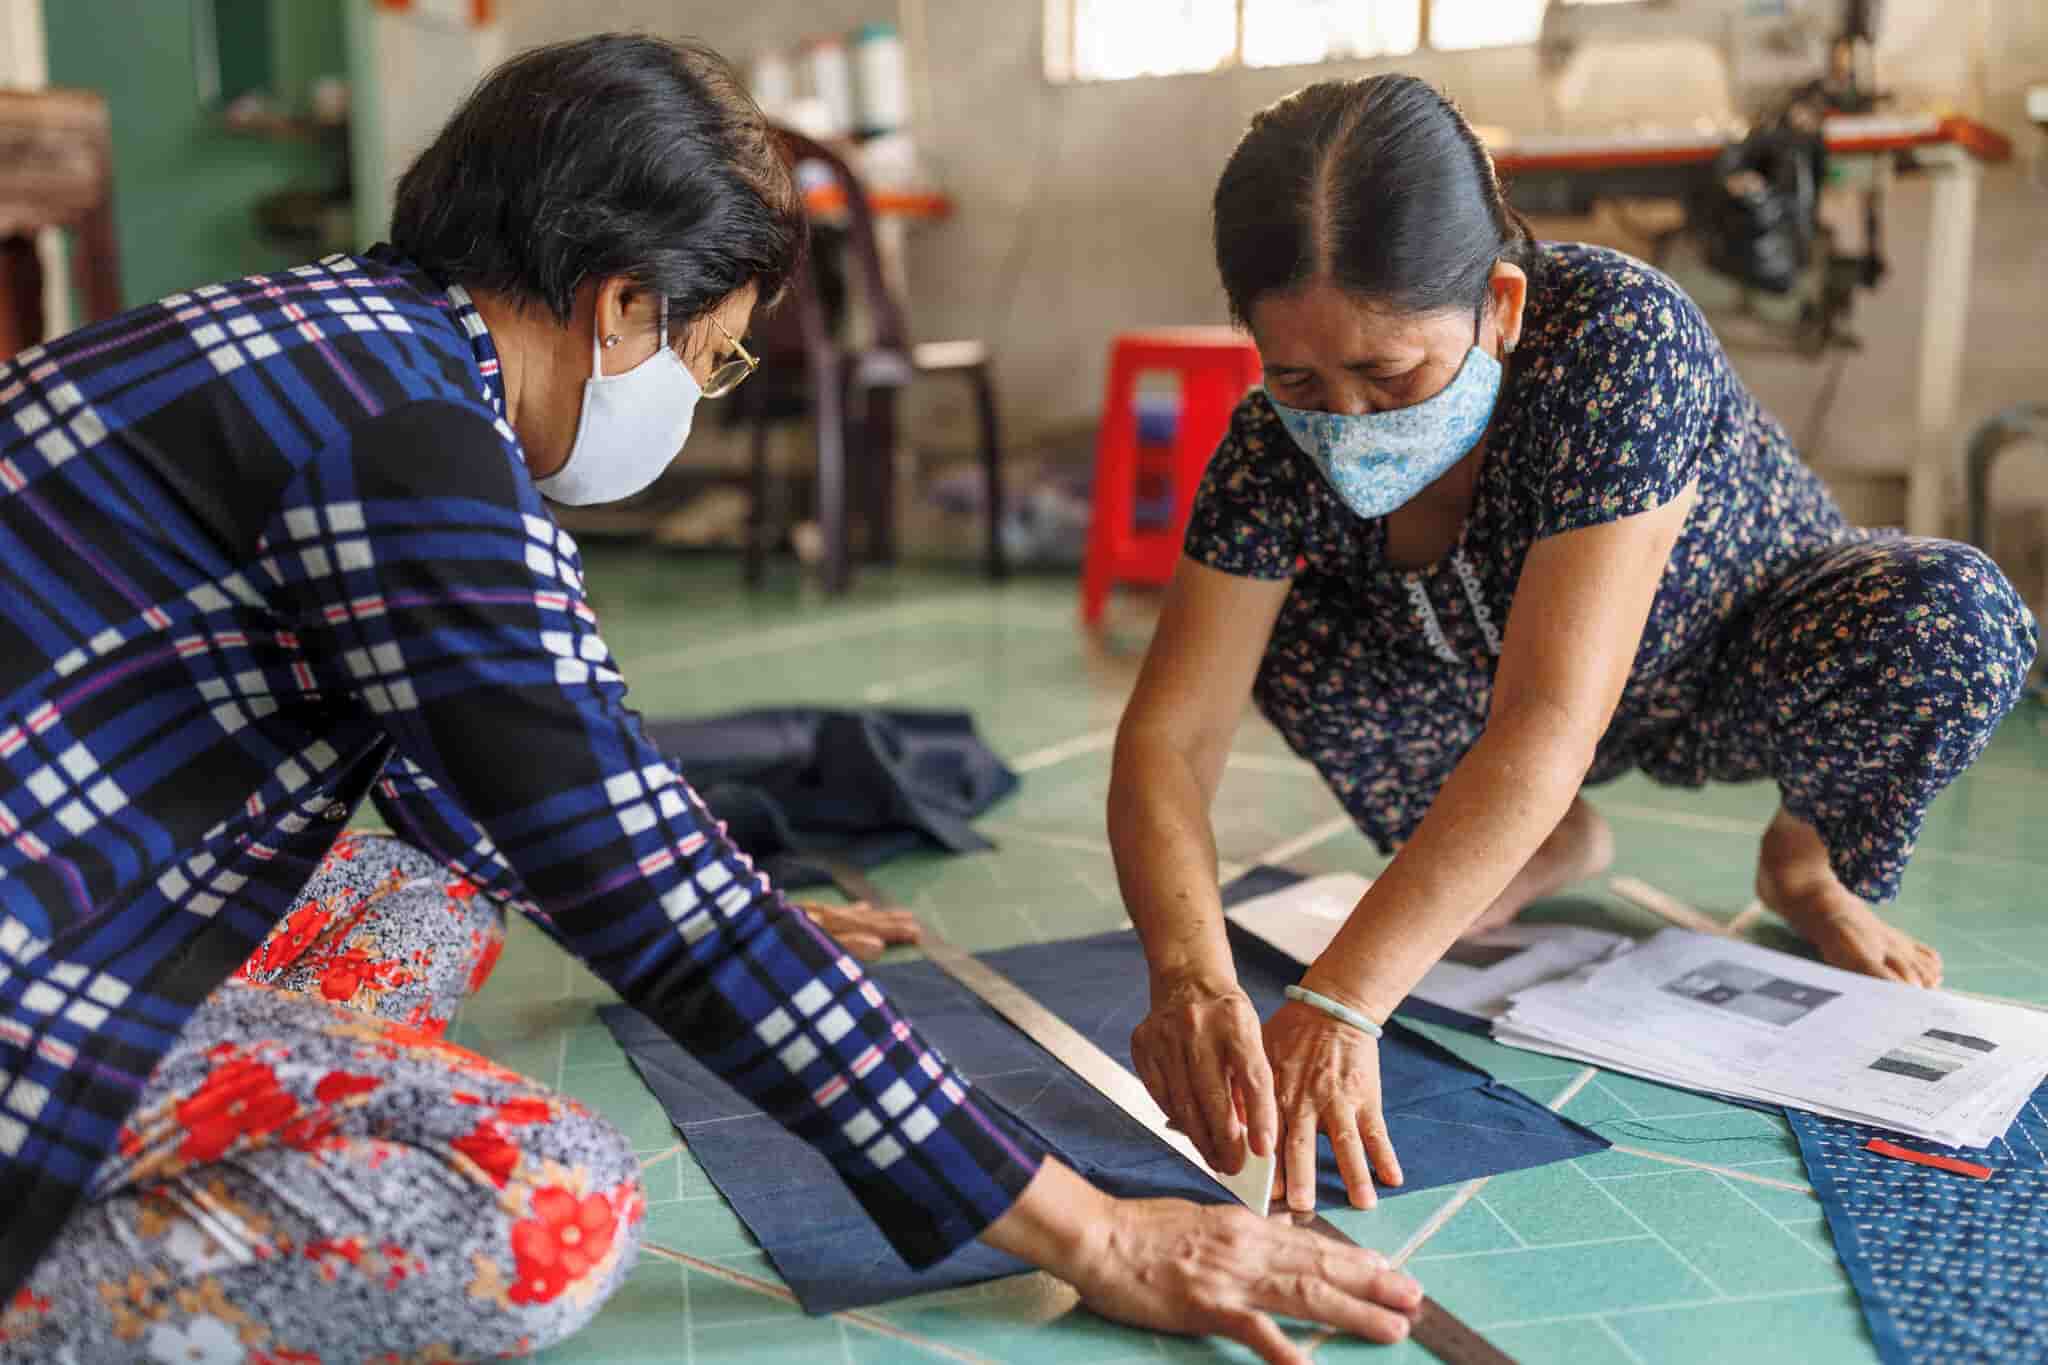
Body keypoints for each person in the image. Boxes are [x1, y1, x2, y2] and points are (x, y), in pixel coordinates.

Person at [0, 37, 1423, 1363]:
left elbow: (501, 769)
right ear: (623, 302)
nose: (707, 393)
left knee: (418, 903)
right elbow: (636, 872)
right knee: (543, 1202)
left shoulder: (328, 340)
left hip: (56, 878)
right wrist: (1095, 1226)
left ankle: (182, 1094)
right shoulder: (408, 437)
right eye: (714, 354)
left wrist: (732, 909)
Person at [1112, 74, 2037, 1220]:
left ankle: (1802, 860)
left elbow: (1549, 718)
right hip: (1482, 693)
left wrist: (1345, 1001)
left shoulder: (1616, 341)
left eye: (1388, 375)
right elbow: (1169, 735)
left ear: (1498, 305)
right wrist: (1188, 976)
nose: (1343, 421)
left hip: (1722, 658)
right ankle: (1542, 841)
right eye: (1296, 377)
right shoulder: (1270, 450)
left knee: (1951, 623)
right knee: (1267, 626)